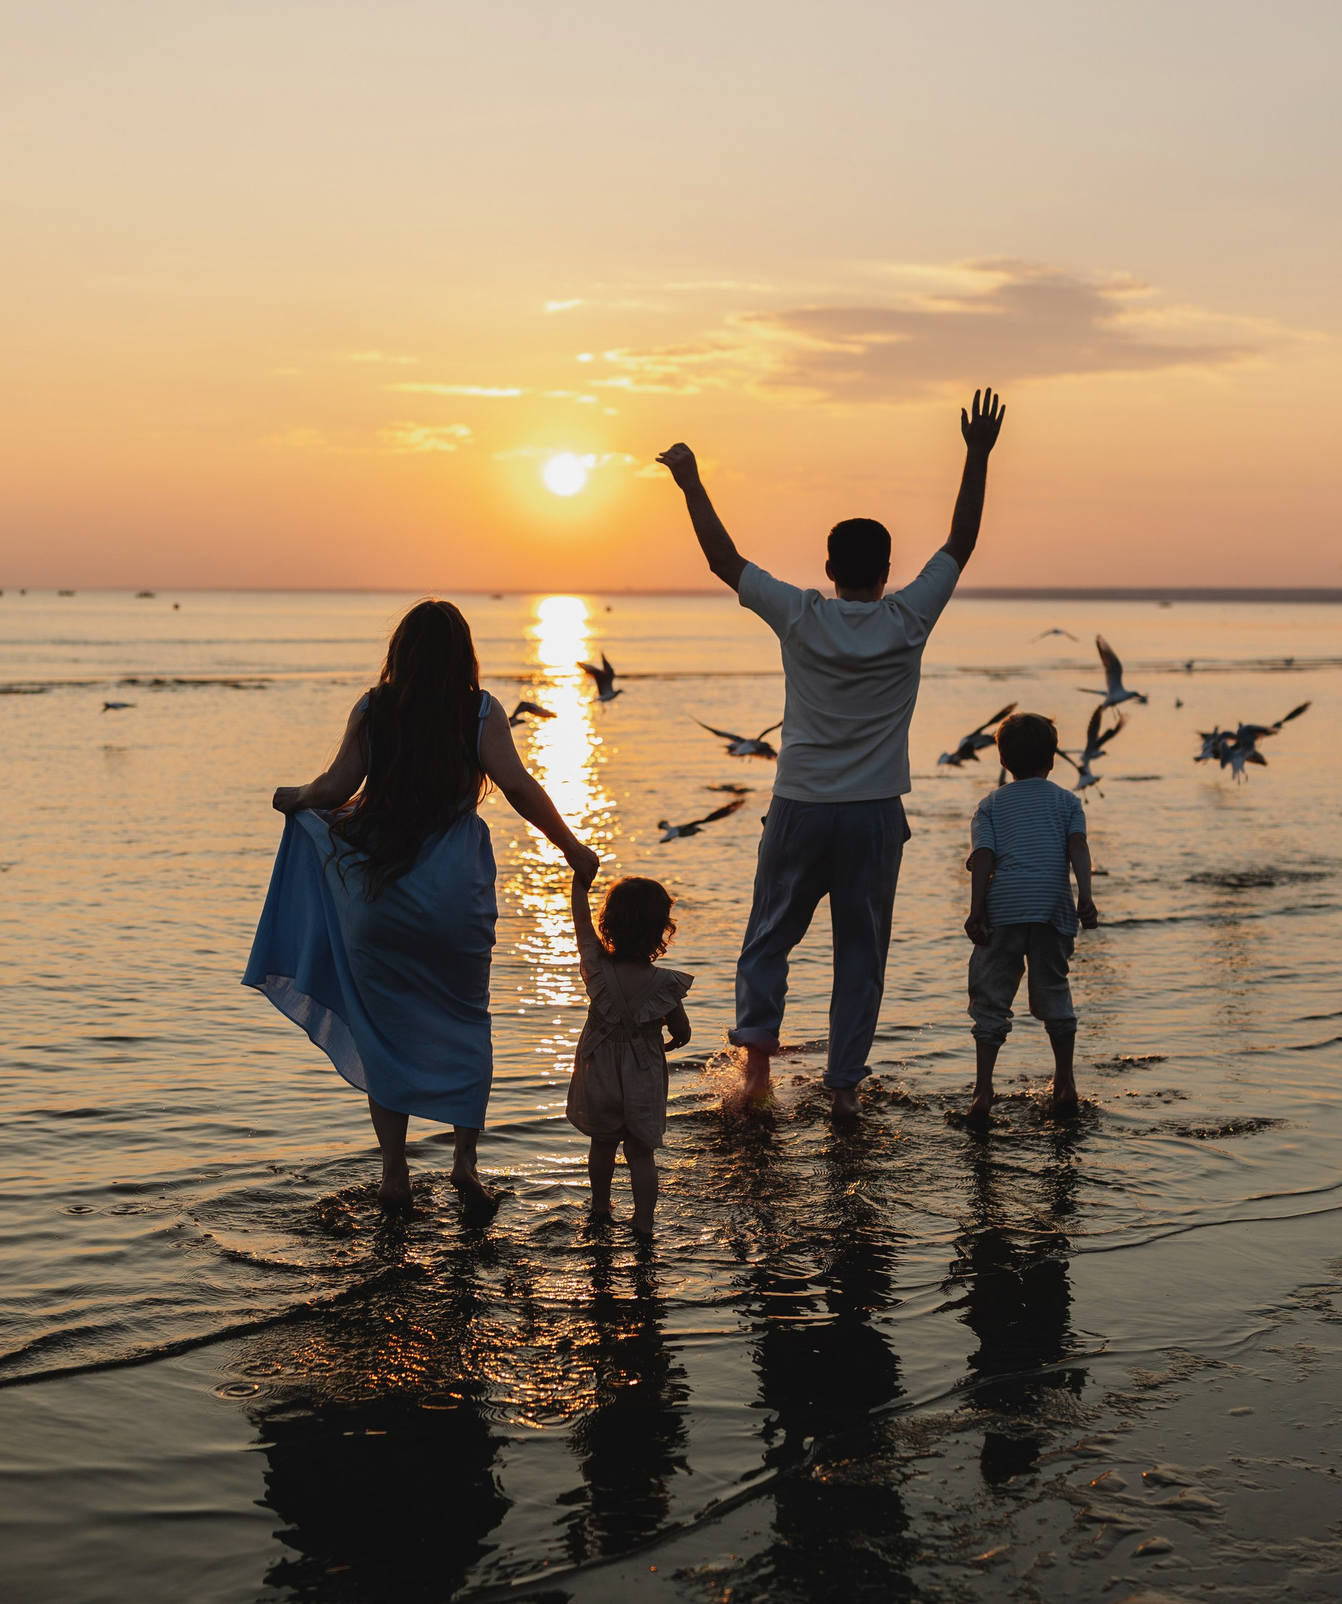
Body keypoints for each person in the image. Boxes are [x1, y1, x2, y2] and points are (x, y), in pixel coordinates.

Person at [659, 387, 1006, 1117]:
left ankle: (755, 1069)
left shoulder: (801, 613)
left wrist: (691, 482)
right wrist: (976, 455)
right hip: (875, 813)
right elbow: (961, 542)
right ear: (886, 570)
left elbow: (725, 560)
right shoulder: (909, 615)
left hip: (802, 806)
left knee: (768, 939)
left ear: (827, 565)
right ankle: (843, 1089)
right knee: (861, 955)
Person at [246, 599, 599, 1208]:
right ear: (463, 654)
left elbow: (334, 790)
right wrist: (572, 849)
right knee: (466, 1019)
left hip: (380, 895)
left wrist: (293, 797)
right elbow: (516, 785)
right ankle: (465, 1165)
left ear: (400, 653)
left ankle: (395, 1175)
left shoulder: (376, 708)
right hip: (453, 894)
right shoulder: (480, 710)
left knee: (384, 1030)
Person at [962, 712, 1098, 1123]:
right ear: (1053, 759)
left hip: (1003, 909)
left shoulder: (990, 805)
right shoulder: (1068, 802)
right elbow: (1078, 848)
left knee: (991, 999)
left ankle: (983, 1093)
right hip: (1052, 909)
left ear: (1002, 761)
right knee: (1054, 990)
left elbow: (982, 859)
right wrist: (1086, 898)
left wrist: (977, 910)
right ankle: (1065, 1085)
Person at [567, 870, 693, 1233]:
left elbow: (579, 922)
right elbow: (681, 1031)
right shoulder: (666, 983)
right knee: (641, 1151)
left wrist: (579, 882)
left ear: (609, 924)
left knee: (603, 1143)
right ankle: (643, 1221)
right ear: (661, 929)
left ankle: (600, 1206)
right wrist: (673, 1038)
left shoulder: (595, 968)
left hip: (600, 1070)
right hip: (643, 1071)